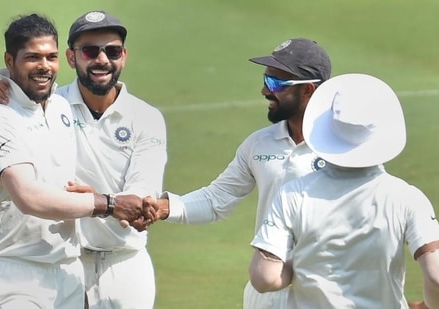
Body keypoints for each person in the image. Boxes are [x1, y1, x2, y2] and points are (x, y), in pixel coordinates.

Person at [0, 10, 167, 309]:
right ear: (73, 57)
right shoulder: (2, 111)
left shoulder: (58, 106)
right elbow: (28, 196)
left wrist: (123, 203)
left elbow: (142, 189)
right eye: (33, 57)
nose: (44, 66)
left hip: (85, 265)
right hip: (16, 271)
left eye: (49, 57)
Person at [141, 38, 331, 308]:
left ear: (308, 91)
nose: (264, 90)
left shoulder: (345, 149)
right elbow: (217, 198)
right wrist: (166, 207)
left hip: (323, 293)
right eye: (267, 79)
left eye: (276, 84)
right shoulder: (259, 143)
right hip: (266, 290)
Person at [248, 73, 439, 308]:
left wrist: (306, 264)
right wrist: (428, 307)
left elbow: (264, 277)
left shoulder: (292, 194)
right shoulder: (407, 198)